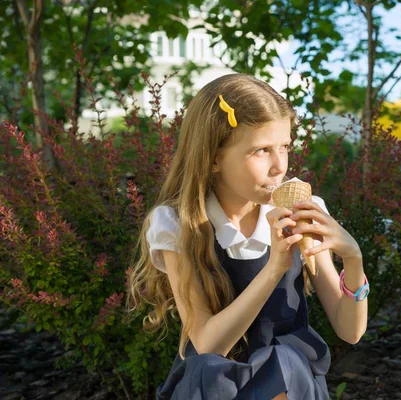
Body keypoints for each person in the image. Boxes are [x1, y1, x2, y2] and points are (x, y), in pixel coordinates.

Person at [126, 73, 369, 400]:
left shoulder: (303, 212)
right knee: (212, 368)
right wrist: (274, 268)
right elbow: (208, 344)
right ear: (213, 157)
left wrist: (352, 259)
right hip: (216, 383)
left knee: (283, 360)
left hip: (290, 380)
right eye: (261, 151)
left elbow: (350, 331)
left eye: (284, 147)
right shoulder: (177, 224)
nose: (279, 166)